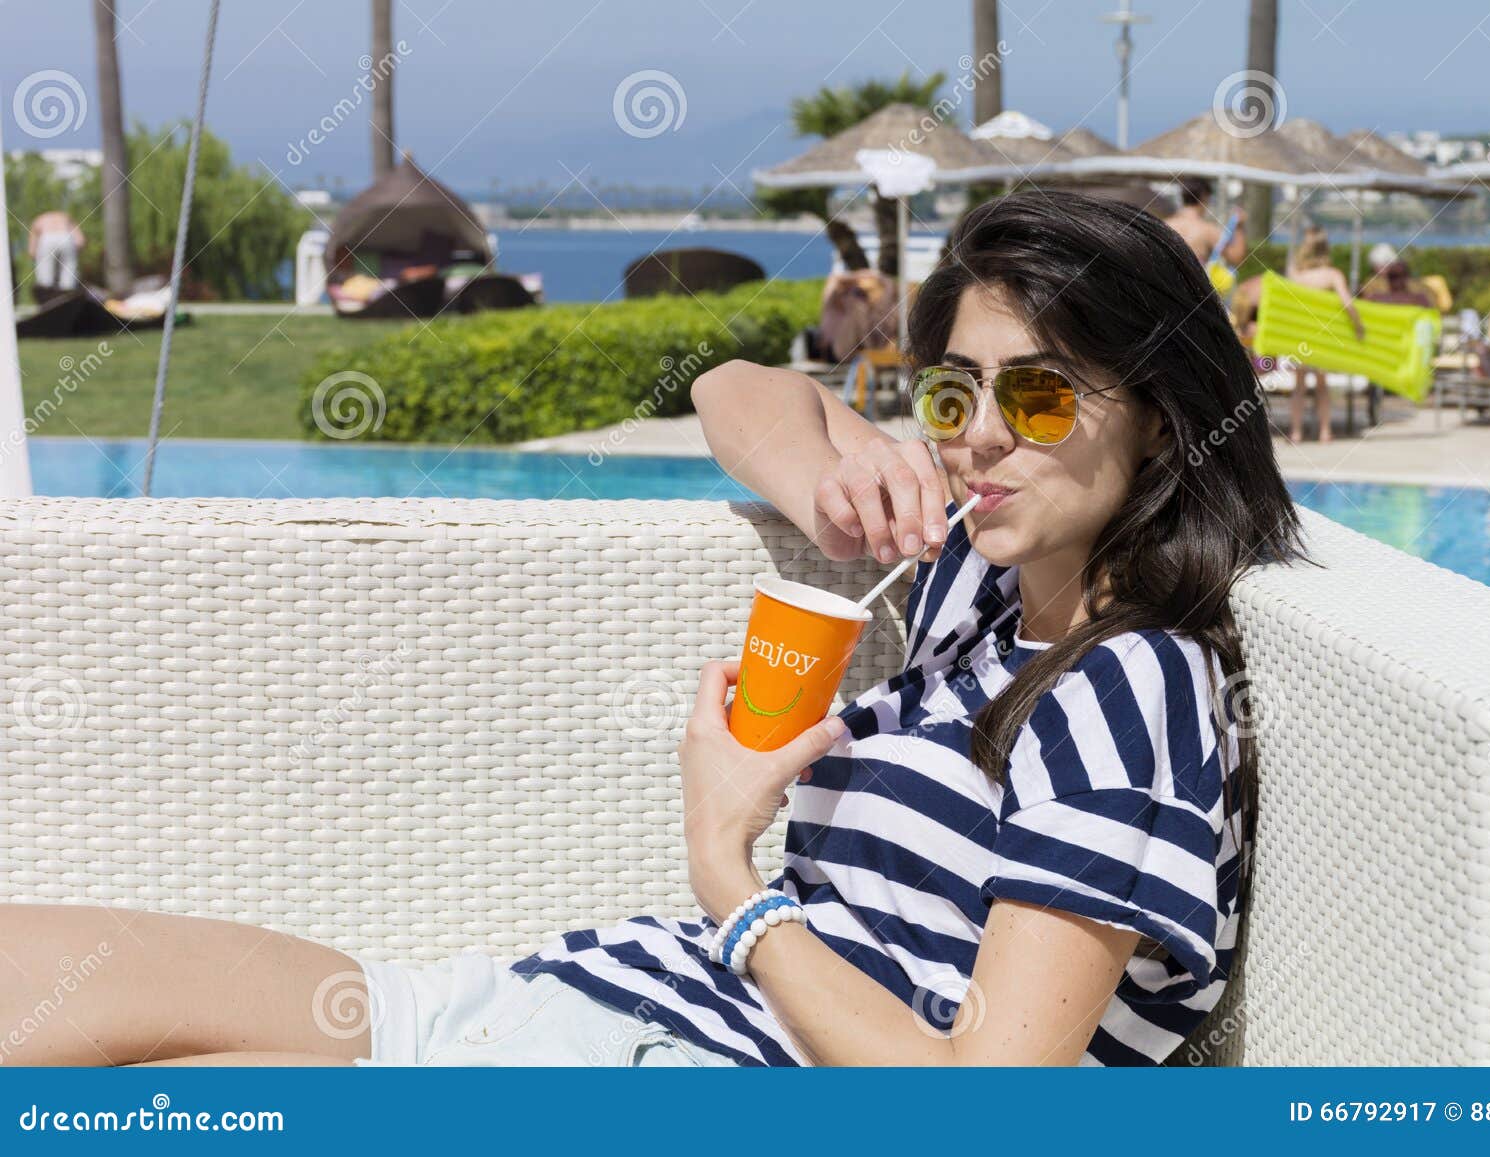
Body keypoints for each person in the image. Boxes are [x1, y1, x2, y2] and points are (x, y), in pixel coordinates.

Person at [2, 189, 1302, 1068]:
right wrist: (827, 484)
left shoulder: (1130, 689)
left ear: (1163, 410)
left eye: (1039, 391)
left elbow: (984, 1111)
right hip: (594, 1002)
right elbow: (738, 391)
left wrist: (727, 867)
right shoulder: (982, 573)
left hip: (680, 1063)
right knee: (60, 972)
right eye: (955, 391)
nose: (976, 435)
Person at [1284, 226, 1364, 444]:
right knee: (1322, 386)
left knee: (1298, 387)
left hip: (1300, 334)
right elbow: (1347, 303)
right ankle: (1325, 432)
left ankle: (1296, 433)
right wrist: (1358, 326)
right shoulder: (1332, 275)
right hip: (1321, 336)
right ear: (1325, 249)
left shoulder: (1295, 274)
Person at [1163, 177, 1247, 267]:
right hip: (1193, 280)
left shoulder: (1164, 225)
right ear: (1204, 196)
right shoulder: (1207, 230)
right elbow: (1236, 257)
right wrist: (1239, 226)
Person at [27, 209, 85, 299]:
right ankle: (67, 299)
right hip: (66, 237)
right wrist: (73, 256)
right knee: (68, 275)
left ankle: (46, 300)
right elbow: (80, 241)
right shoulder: (65, 217)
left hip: (47, 238)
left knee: (45, 279)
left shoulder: (40, 219)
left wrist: (36, 256)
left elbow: (32, 250)